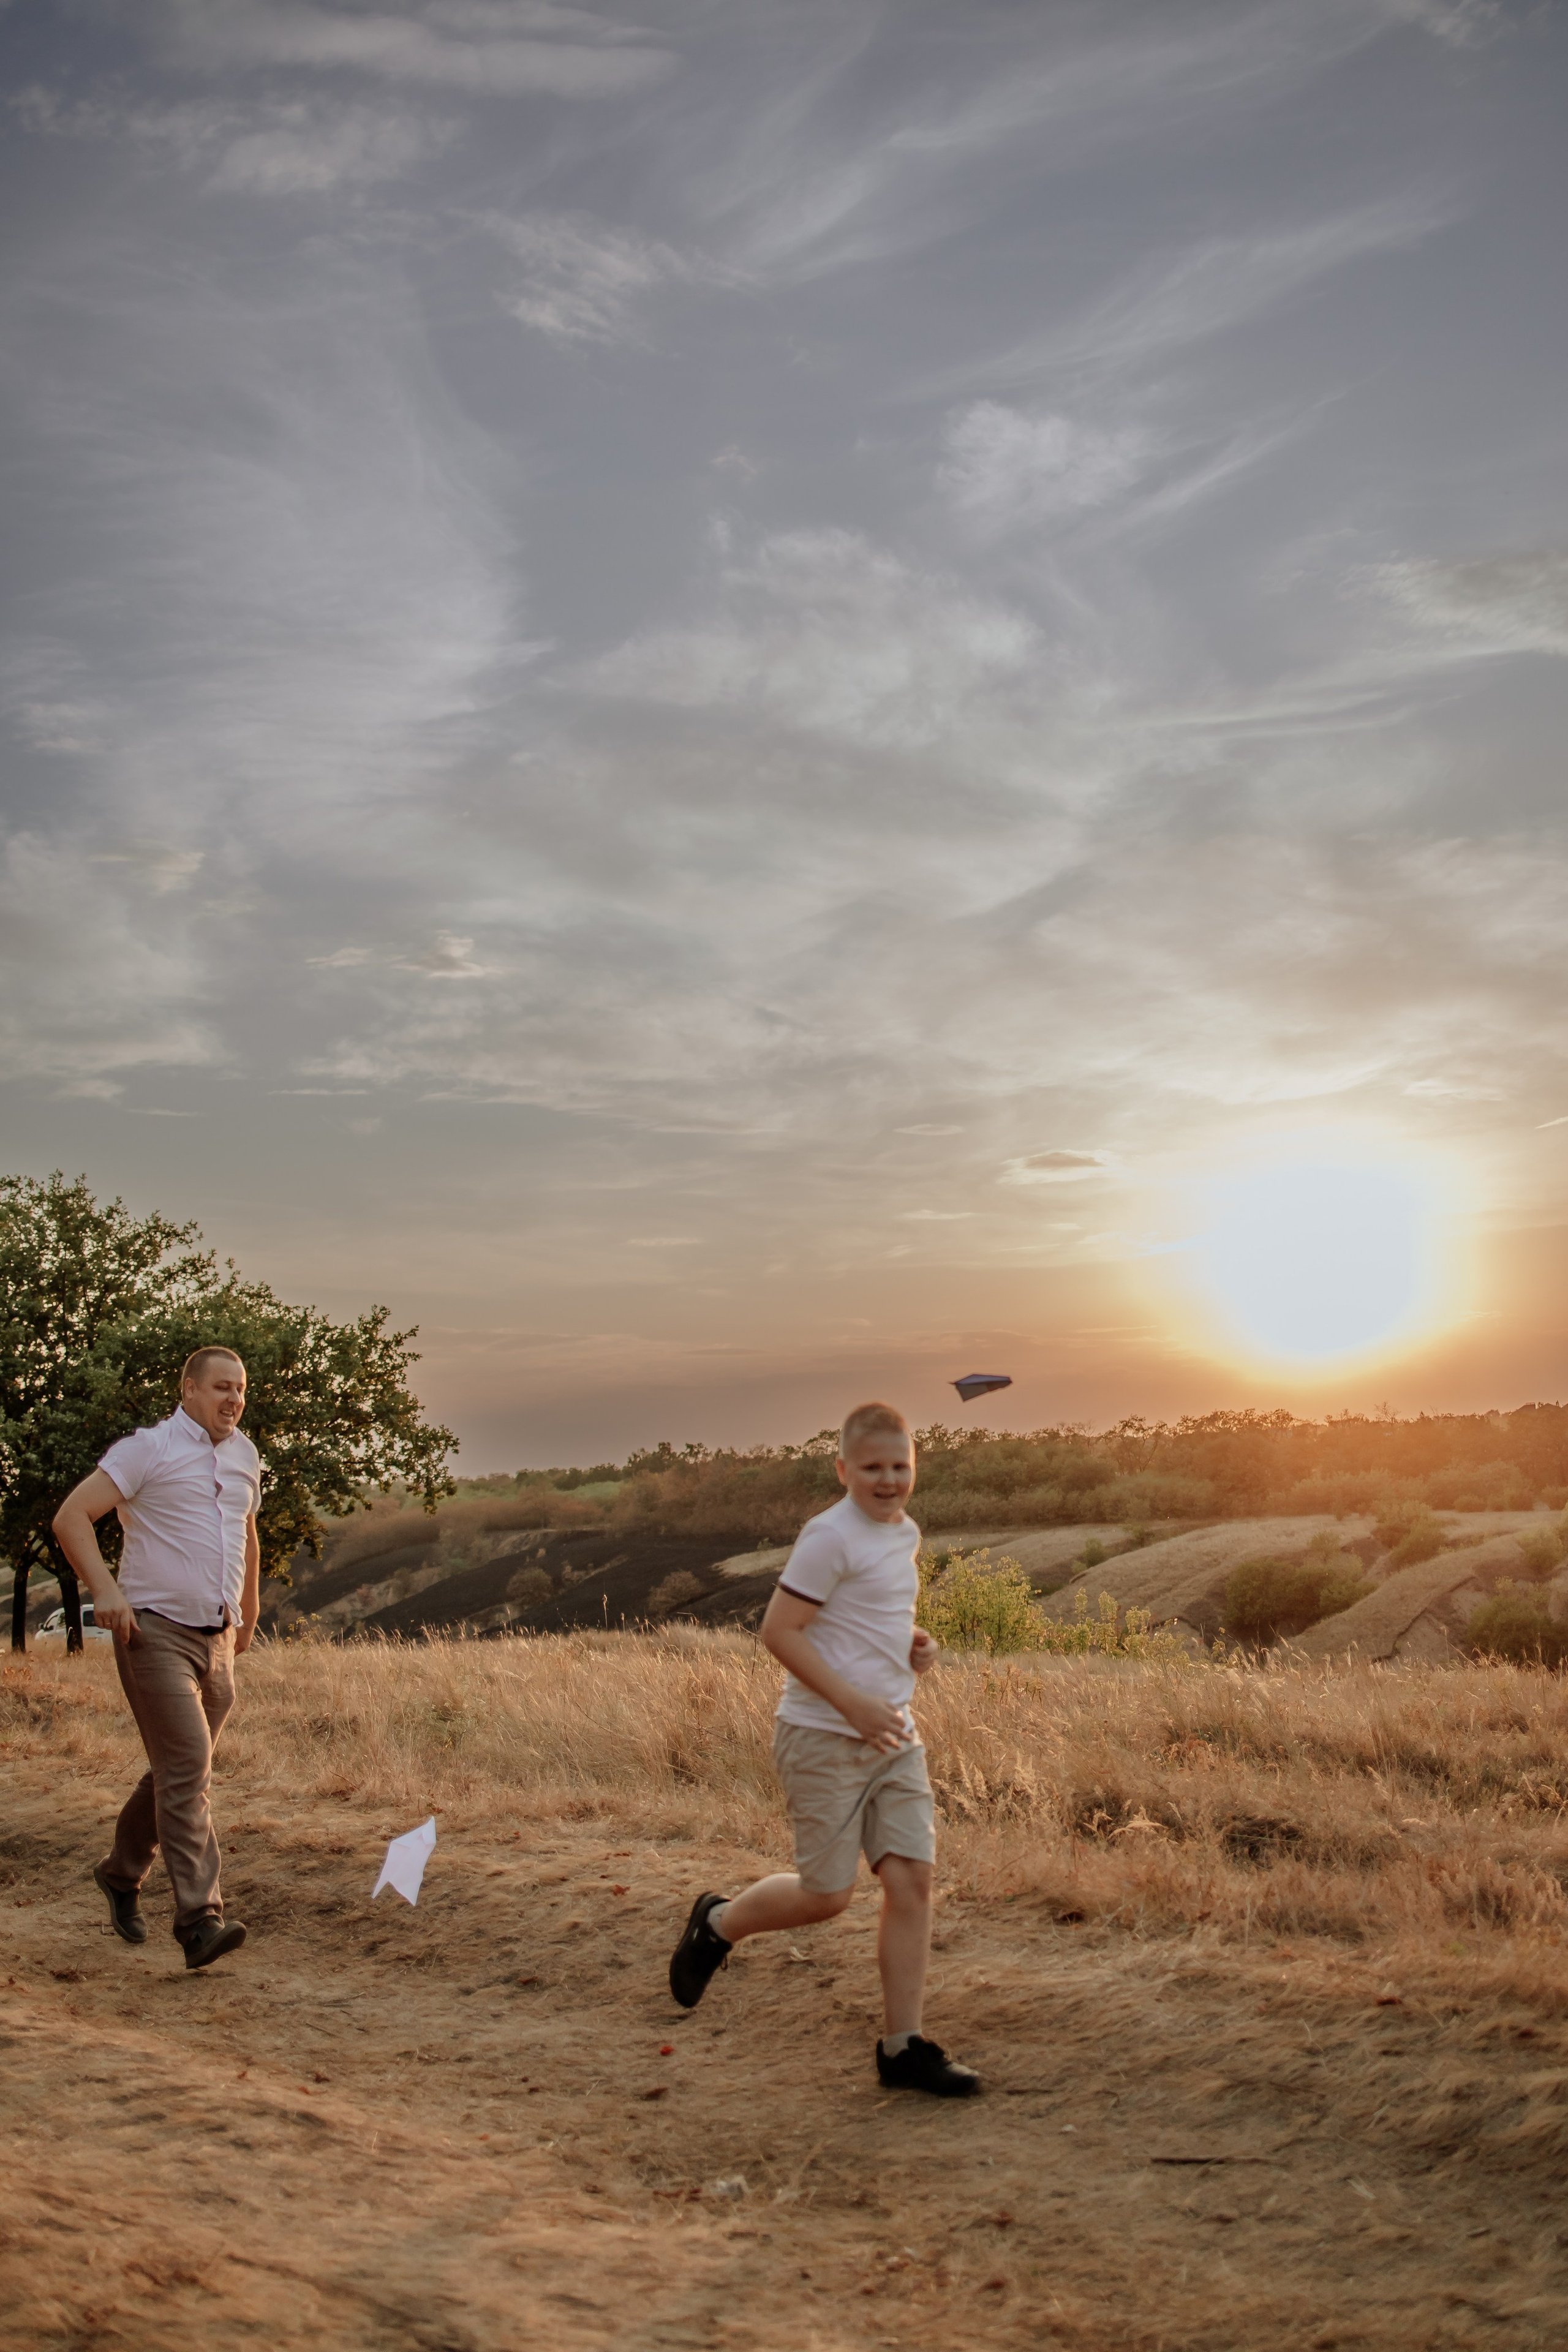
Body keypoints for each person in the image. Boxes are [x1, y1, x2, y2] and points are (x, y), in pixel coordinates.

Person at [668, 1401, 981, 2097]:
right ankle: (718, 1922)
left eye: (900, 1466)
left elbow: (869, 1616)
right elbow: (780, 1632)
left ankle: (903, 2049)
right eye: (872, 1467)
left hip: (893, 1734)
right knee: (826, 1895)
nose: (888, 1479)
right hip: (822, 1736)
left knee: (911, 1882)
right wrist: (852, 1704)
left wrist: (912, 1643)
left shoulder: (905, 1535)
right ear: (843, 1470)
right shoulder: (828, 1537)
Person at [52, 1347, 261, 1971]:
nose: (233, 1400)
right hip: (154, 1632)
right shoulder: (148, 1449)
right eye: (222, 1387)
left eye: (242, 1390)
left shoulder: (246, 1455)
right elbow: (72, 1518)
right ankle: (200, 1921)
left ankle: (121, 1874)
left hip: (218, 1637)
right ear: (190, 1390)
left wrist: (247, 1612)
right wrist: (106, 1591)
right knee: (189, 1765)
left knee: (177, 1770)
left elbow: (247, 1531)